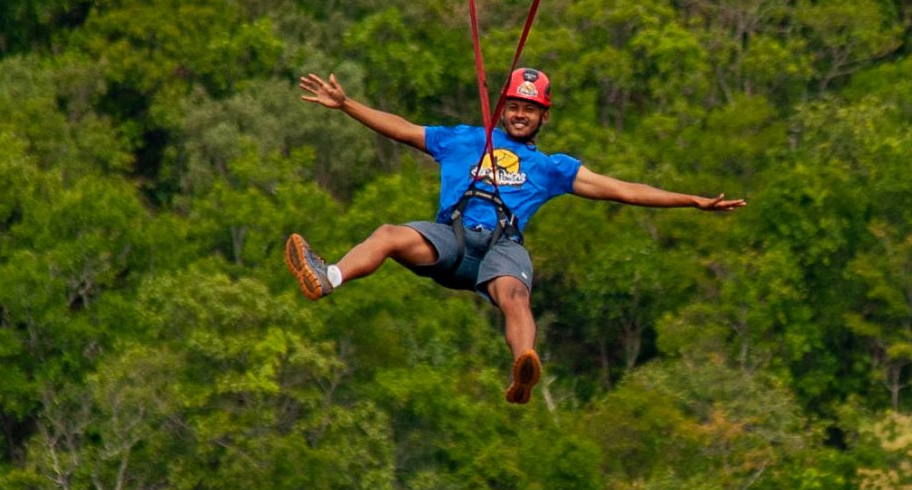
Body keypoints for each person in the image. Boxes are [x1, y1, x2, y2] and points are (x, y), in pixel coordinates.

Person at [284, 66, 744, 405]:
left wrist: (691, 199)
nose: (521, 115)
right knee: (388, 234)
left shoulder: (551, 167)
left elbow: (621, 190)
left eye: (531, 110)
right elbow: (403, 129)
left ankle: (523, 365)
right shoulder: (463, 138)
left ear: (544, 118)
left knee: (514, 295)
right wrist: (347, 106)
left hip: (501, 248)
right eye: (516, 107)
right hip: (451, 238)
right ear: (503, 109)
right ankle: (330, 278)